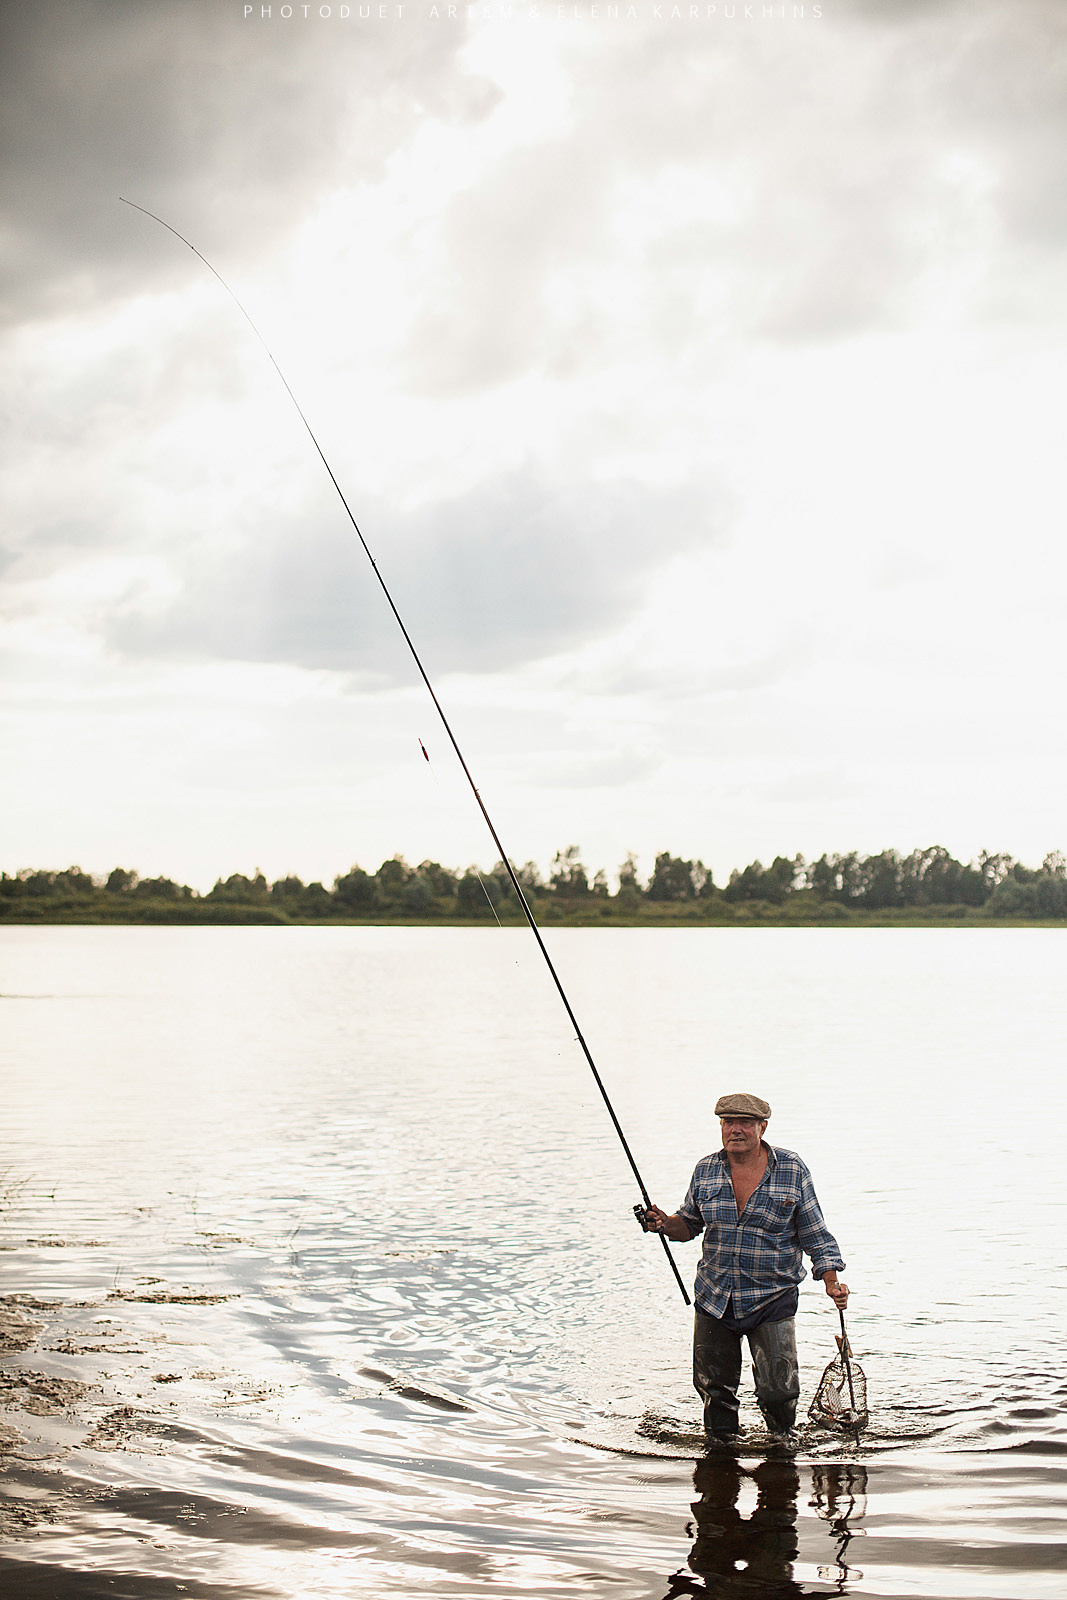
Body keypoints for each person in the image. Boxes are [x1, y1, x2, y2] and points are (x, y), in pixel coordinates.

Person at [645, 1092, 849, 1441]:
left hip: (772, 1297)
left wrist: (831, 1281)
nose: (735, 1130)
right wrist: (664, 1223)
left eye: (745, 1123)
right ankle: (720, 1452)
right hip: (714, 1297)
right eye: (728, 1122)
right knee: (714, 1390)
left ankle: (782, 1446)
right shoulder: (706, 1169)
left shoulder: (791, 1169)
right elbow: (689, 1225)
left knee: (778, 1392)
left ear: (762, 1127)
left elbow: (815, 1233)